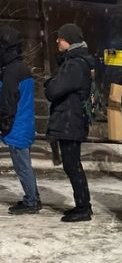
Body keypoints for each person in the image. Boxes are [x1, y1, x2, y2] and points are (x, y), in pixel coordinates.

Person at [44, 23, 94, 222]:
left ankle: (83, 207)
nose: (57, 40)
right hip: (71, 120)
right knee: (72, 165)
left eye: (60, 37)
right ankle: (82, 205)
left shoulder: (74, 64)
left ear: (69, 40)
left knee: (72, 165)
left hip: (70, 121)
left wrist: (49, 83)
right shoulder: (74, 61)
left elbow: (53, 90)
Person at [0, 25, 41, 214]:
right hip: (24, 123)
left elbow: (8, 101)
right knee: (25, 165)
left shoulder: (10, 71)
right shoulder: (21, 68)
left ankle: (31, 201)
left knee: (23, 166)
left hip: (16, 126)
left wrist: (4, 125)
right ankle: (33, 198)